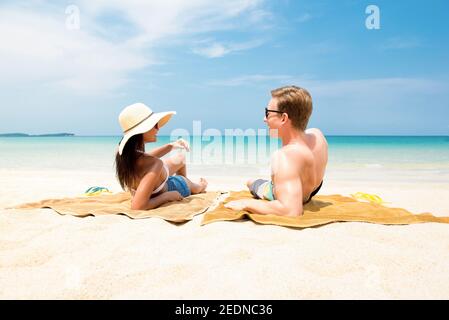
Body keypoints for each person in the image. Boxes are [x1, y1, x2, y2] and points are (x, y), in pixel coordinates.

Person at [225, 86, 328, 216]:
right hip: (312, 189)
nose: (264, 119)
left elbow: (291, 210)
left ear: (283, 118)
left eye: (268, 113)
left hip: (290, 194)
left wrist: (246, 203)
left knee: (251, 183)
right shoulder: (318, 135)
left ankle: (254, 184)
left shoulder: (284, 156)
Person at [115, 102, 207, 210]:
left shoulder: (125, 156)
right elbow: (137, 206)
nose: (158, 128)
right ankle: (197, 187)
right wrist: (167, 196)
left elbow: (145, 157)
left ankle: (189, 182)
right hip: (174, 187)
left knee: (180, 158)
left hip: (153, 186)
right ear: (142, 130)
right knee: (189, 182)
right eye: (154, 125)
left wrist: (170, 146)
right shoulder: (155, 164)